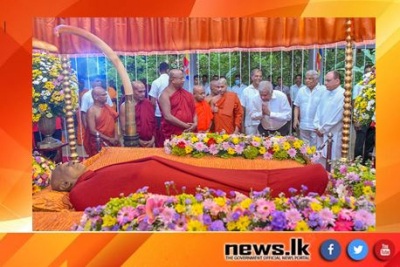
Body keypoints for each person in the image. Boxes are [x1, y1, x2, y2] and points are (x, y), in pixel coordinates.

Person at [51, 157, 329, 211]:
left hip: (164, 172)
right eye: (65, 166)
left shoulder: (88, 176)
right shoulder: (79, 192)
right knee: (227, 188)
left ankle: (308, 175)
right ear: (64, 184)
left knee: (223, 178)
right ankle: (309, 179)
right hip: (162, 183)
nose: (71, 161)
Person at [314, 71, 345, 162]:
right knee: (320, 157)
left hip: (333, 132)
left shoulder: (343, 94)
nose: (325, 83)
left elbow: (337, 116)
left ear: (337, 81)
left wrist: (322, 129)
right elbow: (318, 110)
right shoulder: (325, 93)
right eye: (325, 80)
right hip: (320, 132)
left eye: (328, 80)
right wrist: (317, 126)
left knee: (332, 159)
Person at [159, 69, 197, 140]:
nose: (183, 80)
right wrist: (185, 126)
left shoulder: (187, 94)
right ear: (173, 80)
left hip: (189, 130)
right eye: (181, 78)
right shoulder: (165, 95)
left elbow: (194, 110)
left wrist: (195, 123)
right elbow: (167, 116)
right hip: (173, 131)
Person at [84, 87, 119, 157]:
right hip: (99, 142)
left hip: (113, 140)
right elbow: (92, 130)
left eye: (106, 94)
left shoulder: (108, 107)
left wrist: (116, 137)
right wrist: (109, 139)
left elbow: (115, 122)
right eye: (103, 95)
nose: (106, 96)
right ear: (96, 97)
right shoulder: (92, 110)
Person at [293, 70, 326, 146]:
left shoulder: (323, 90)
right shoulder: (301, 90)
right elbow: (296, 106)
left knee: (316, 148)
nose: (307, 81)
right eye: (306, 78)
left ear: (316, 79)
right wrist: (295, 119)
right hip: (303, 125)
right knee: (304, 148)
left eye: (310, 79)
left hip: (316, 126)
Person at [120, 81, 156, 147]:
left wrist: (153, 139)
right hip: (133, 142)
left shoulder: (148, 103)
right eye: (140, 92)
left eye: (144, 91)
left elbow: (153, 123)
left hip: (149, 141)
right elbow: (124, 128)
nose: (143, 94)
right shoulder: (125, 106)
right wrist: (138, 141)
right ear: (132, 91)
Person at [353, 65, 375, 164]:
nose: (369, 74)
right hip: (361, 119)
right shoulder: (359, 86)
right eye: (367, 72)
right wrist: (355, 120)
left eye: (371, 72)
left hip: (373, 120)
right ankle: (357, 165)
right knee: (359, 144)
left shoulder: (376, 86)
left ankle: (367, 166)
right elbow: (354, 104)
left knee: (370, 144)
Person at [149, 62, 169, 147]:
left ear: (158, 70)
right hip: (172, 111)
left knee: (160, 135)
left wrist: (154, 112)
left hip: (158, 113)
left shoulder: (156, 82)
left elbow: (153, 101)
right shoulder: (173, 81)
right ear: (168, 70)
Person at [242, 69, 263, 135]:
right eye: (256, 76)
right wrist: (242, 125)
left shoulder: (264, 89)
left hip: (263, 123)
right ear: (251, 77)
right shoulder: (246, 90)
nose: (258, 78)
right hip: (250, 123)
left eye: (260, 76)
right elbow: (242, 109)